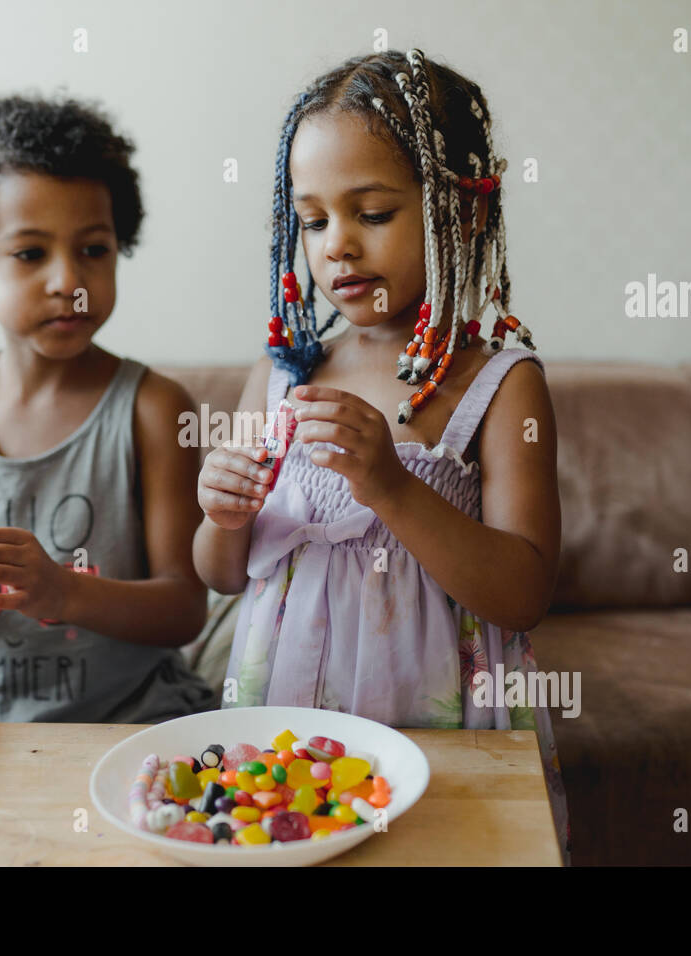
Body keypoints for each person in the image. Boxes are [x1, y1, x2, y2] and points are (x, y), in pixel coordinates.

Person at [192, 50, 571, 863]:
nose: (338, 247)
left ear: (463, 213)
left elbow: (524, 593)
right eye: (315, 219)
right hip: (288, 705)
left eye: (371, 212)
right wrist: (220, 512)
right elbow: (222, 573)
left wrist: (391, 485)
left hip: (435, 707)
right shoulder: (282, 373)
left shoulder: (501, 386)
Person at [0, 93, 215, 723]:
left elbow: (184, 608)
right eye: (30, 254)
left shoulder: (153, 408)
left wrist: (63, 590)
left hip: (127, 721)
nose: (69, 280)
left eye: (94, 250)